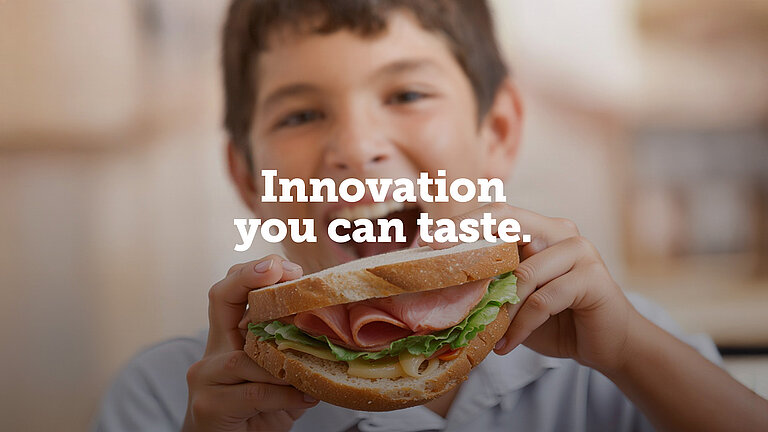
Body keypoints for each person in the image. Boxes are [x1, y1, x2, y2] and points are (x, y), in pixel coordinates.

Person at [92, 1, 768, 431]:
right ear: (247, 177)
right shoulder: (171, 396)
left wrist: (629, 354)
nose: (356, 147)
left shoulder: (623, 348)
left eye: (407, 94)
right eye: (300, 114)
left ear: (497, 133)